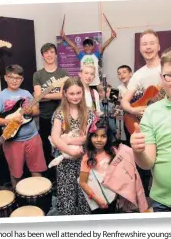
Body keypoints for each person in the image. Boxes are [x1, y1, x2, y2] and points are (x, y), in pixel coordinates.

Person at [130, 45, 171, 213]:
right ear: (162, 78)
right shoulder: (152, 112)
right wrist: (138, 151)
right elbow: (147, 163)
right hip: (163, 202)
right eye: (170, 75)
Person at [0, 64, 46, 188]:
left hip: (33, 137)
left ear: (22, 80)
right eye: (11, 77)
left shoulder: (27, 94)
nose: (14, 80)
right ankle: (19, 201)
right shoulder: (0, 97)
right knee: (16, 174)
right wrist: (10, 121)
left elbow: (37, 112)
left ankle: (39, 201)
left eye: (18, 78)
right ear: (5, 78)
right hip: (12, 140)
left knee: (36, 170)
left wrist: (31, 111)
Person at [120, 29, 161, 195]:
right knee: (144, 163)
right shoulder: (139, 74)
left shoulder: (168, 67)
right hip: (147, 124)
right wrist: (133, 109)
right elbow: (124, 101)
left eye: (152, 43)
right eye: (144, 44)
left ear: (159, 46)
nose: (148, 47)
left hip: (166, 122)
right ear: (140, 48)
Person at [50, 77, 94, 216]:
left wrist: (68, 140)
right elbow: (55, 137)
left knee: (84, 195)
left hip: (84, 161)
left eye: (78, 93)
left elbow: (88, 138)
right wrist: (69, 150)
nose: (75, 97)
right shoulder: (60, 113)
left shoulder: (88, 112)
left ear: (83, 93)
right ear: (65, 94)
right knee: (67, 197)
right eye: (71, 94)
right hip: (65, 163)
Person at [33, 42, 67, 182]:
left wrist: (44, 95)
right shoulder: (38, 74)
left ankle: (62, 175)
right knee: (46, 147)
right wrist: (51, 93)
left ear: (56, 54)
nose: (49, 55)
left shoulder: (63, 73)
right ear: (43, 55)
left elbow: (63, 95)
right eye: (46, 53)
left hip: (61, 115)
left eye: (51, 52)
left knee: (62, 145)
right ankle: (49, 177)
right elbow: (37, 96)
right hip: (45, 116)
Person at [79, 118, 118, 214]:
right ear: (90, 137)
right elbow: (82, 182)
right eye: (95, 136)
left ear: (108, 137)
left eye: (103, 136)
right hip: (97, 199)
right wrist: (96, 199)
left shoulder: (113, 152)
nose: (99, 140)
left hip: (113, 196)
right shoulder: (87, 157)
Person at [60, 22, 117, 87]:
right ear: (83, 47)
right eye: (86, 46)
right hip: (83, 84)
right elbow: (73, 46)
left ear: (93, 47)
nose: (88, 48)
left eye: (90, 46)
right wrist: (64, 37)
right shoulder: (81, 56)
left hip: (95, 83)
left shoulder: (96, 55)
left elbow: (103, 46)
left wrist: (112, 37)